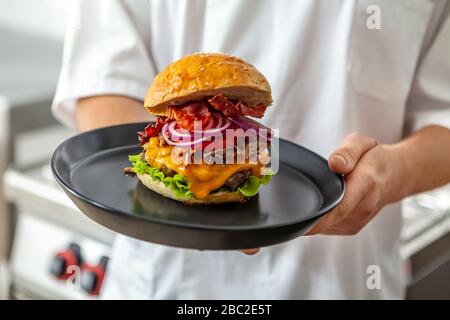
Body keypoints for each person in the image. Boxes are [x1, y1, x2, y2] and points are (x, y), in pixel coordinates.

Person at [53, 0, 450, 299]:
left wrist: (391, 171)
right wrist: (178, 158)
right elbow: (100, 79)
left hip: (343, 278)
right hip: (165, 281)